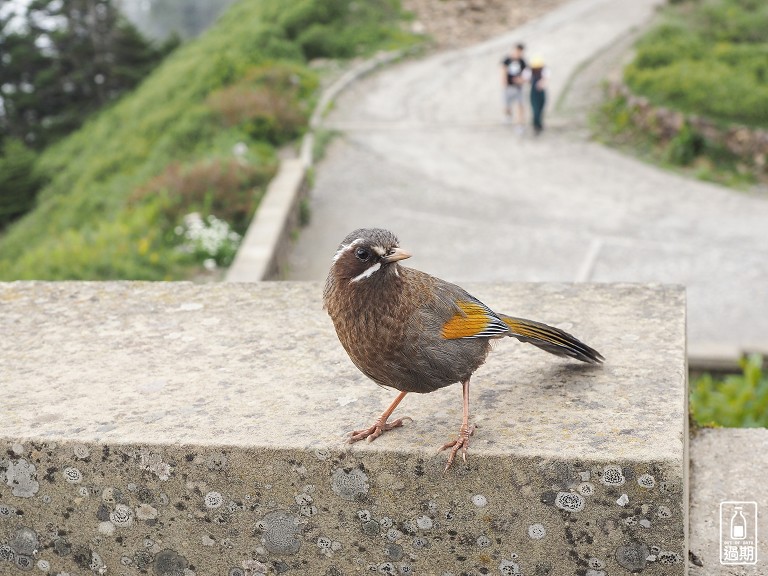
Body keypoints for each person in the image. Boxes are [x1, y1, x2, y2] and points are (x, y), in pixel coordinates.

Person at [501, 43, 527, 127]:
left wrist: (521, 80)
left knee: (520, 105)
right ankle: (508, 116)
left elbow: (526, 74)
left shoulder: (522, 61)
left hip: (518, 87)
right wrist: (504, 80)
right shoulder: (507, 59)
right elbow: (503, 70)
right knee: (507, 105)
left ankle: (520, 123)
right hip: (509, 86)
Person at [523, 56, 549, 135]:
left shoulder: (544, 70)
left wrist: (542, 83)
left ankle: (539, 123)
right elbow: (525, 79)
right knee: (535, 109)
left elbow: (546, 79)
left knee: (541, 107)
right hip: (533, 91)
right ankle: (536, 124)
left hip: (541, 91)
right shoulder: (529, 71)